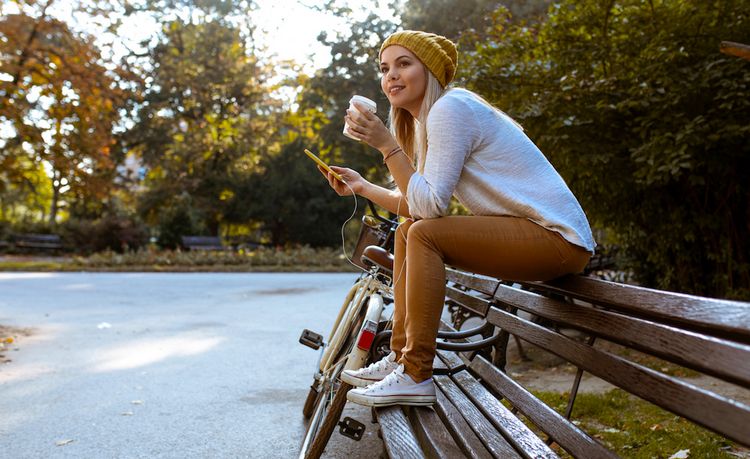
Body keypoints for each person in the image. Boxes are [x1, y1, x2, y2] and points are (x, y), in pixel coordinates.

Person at [318, 30, 596, 407]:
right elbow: (418, 205)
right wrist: (363, 187)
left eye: (404, 64)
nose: (391, 76)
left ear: (429, 70)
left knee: (423, 233)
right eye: (385, 69)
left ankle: (416, 373)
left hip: (557, 240)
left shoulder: (451, 108)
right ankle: (401, 361)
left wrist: (387, 146)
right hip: (533, 237)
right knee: (410, 231)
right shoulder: (428, 121)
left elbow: (429, 208)